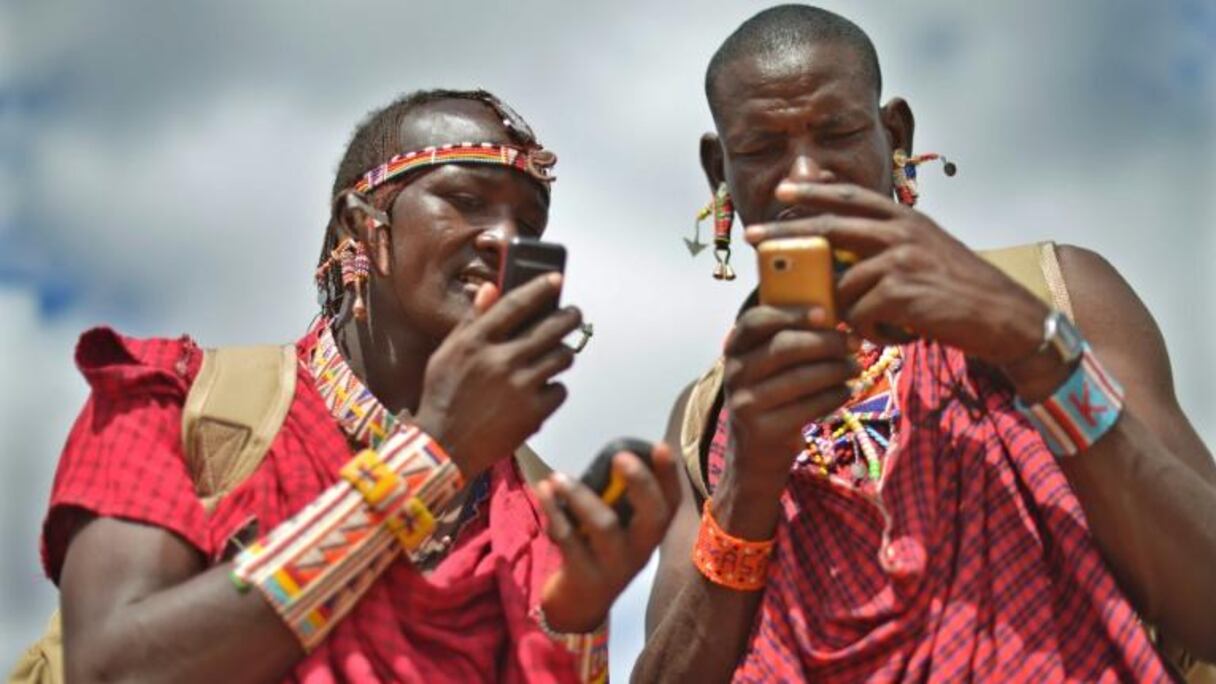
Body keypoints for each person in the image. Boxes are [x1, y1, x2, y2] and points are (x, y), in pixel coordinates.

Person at [636, 5, 1216, 682]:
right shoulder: (710, 418)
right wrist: (745, 492)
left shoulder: (1057, 295)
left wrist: (1036, 351)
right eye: (762, 150)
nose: (804, 177)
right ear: (719, 171)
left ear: (894, 134)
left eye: (839, 133)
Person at [39, 88, 680, 683]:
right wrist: (428, 457)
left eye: (529, 226)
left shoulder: (537, 515)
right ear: (360, 225)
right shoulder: (182, 403)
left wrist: (574, 619)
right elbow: (112, 670)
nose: (505, 238)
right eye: (466, 200)